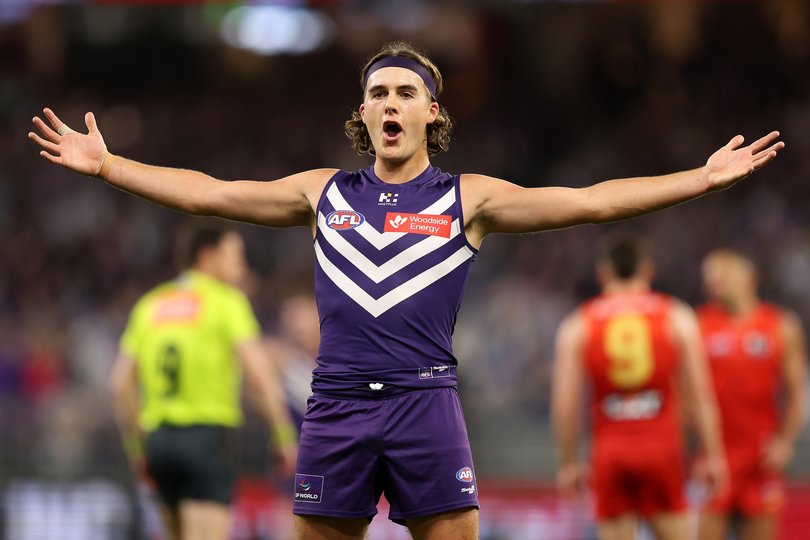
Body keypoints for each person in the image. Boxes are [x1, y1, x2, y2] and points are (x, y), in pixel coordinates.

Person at [29, 41, 783, 540]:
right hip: (337, 404)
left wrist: (700, 179)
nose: (390, 104)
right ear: (363, 114)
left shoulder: (471, 199)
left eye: (404, 92)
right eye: (377, 93)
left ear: (432, 112)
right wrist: (110, 167)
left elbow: (589, 201)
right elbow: (207, 194)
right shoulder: (319, 191)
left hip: (427, 402)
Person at [109, 221, 298, 540]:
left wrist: (137, 448)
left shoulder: (150, 305)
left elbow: (119, 385)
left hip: (159, 441)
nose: (242, 266)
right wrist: (282, 434)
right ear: (208, 256)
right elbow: (259, 376)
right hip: (206, 438)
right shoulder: (226, 302)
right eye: (236, 256)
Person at [551, 235, 726, 540]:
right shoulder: (676, 316)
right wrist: (712, 454)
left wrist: (569, 463)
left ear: (603, 273)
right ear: (647, 271)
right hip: (662, 448)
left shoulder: (579, 324)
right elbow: (700, 395)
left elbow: (566, 405)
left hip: (610, 450)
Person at [697, 249, 807, 540]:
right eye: (709, 276)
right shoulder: (698, 325)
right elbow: (686, 395)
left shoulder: (780, 325)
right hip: (715, 456)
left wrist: (785, 441)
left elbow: (796, 391)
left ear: (748, 278)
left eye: (722, 273)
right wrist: (697, 445)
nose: (713, 281)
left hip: (761, 459)